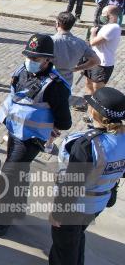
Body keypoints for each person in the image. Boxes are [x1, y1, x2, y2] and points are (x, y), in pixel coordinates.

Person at [0, 34, 72, 237]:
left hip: (33, 138)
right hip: (14, 131)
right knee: (19, 170)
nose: (30, 61)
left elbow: (65, 122)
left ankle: (3, 219)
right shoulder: (21, 70)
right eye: (28, 56)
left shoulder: (56, 86)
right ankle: (17, 205)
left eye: (36, 59)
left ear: (48, 60)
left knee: (8, 175)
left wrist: (53, 126)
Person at [49, 86, 125, 265]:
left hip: (75, 208)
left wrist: (58, 214)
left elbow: (71, 185)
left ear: (94, 111)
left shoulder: (86, 144)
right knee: (76, 236)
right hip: (99, 203)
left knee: (64, 250)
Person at [83, 5, 122, 120]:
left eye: (104, 14)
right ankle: (90, 113)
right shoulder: (107, 26)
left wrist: (93, 33)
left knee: (98, 93)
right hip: (94, 61)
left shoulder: (113, 28)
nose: (102, 16)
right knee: (89, 86)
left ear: (111, 15)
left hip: (103, 64)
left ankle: (96, 117)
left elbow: (93, 42)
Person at [51, 11, 99, 88]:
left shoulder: (50, 41)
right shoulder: (81, 43)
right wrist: (77, 68)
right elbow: (96, 61)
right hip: (66, 82)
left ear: (57, 24)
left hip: (49, 80)